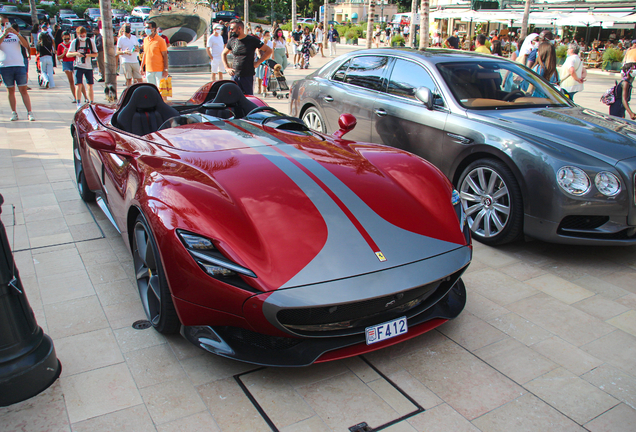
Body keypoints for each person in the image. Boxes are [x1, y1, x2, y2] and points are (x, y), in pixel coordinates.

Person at [221, 19, 272, 95]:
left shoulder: (251, 40)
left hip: (247, 76)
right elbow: (223, 54)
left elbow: (268, 50)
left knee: (248, 99)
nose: (230, 31)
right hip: (235, 75)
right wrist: (227, 68)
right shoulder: (232, 40)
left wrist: (258, 62)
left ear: (239, 28)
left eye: (232, 29)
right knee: (234, 98)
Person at [0, 15, 34, 121]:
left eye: (6, 23)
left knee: (23, 90)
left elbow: (26, 45)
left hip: (19, 65)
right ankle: (14, 112)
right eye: (2, 24)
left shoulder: (15, 35)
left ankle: (29, 112)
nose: (5, 26)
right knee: (10, 90)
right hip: (5, 66)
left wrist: (17, 34)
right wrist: (4, 34)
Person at [68, 26, 97, 107]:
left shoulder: (90, 42)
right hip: (78, 65)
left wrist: (88, 55)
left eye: (84, 35)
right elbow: (68, 54)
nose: (83, 37)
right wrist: (76, 53)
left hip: (88, 66)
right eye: (81, 36)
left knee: (90, 85)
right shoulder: (75, 42)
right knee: (78, 84)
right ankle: (78, 102)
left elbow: (96, 53)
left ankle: (91, 102)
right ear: (77, 35)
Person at [141, 21, 169, 99]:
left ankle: (163, 107)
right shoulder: (145, 40)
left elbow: (165, 55)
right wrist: (141, 67)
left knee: (162, 92)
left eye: (148, 27)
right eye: (146, 27)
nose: (146, 29)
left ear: (153, 29)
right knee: (151, 91)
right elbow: (145, 53)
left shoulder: (160, 40)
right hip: (149, 70)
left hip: (159, 70)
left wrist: (165, 69)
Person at [57, 30, 85, 102]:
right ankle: (75, 97)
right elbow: (58, 57)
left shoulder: (73, 43)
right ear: (62, 38)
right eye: (65, 39)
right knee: (71, 81)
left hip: (74, 62)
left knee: (79, 81)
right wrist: (64, 53)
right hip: (66, 63)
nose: (66, 40)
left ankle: (86, 97)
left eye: (68, 38)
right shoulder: (60, 46)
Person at [255, 30, 272, 94]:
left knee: (266, 75)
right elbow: (257, 50)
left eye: (269, 35)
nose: (268, 36)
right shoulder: (261, 42)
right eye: (267, 35)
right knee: (260, 75)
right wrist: (259, 57)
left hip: (267, 60)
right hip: (260, 60)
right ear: (264, 36)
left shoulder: (270, 43)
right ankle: (259, 88)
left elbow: (270, 51)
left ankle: (264, 89)